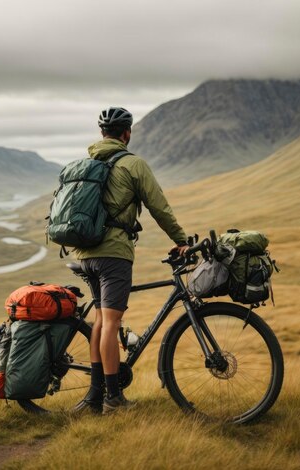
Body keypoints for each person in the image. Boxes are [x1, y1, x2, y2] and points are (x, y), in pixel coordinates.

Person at [73, 106, 189, 415]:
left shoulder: (88, 162)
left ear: (102, 134)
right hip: (113, 255)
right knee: (111, 322)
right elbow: (159, 206)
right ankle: (113, 397)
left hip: (85, 253)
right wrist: (180, 240)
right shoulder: (133, 164)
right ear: (127, 134)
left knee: (100, 320)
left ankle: (96, 398)